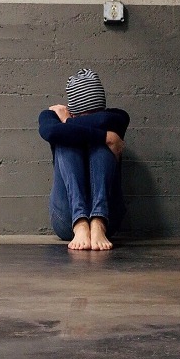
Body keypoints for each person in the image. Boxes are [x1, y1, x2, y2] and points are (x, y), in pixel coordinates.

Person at [38, 69, 130, 250]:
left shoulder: (116, 117)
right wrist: (105, 136)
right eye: (85, 116)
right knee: (66, 140)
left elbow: (103, 120)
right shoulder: (50, 117)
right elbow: (51, 132)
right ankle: (80, 223)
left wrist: (68, 122)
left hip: (108, 218)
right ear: (72, 111)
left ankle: (98, 221)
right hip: (66, 219)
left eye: (96, 115)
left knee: (100, 145)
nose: (93, 119)